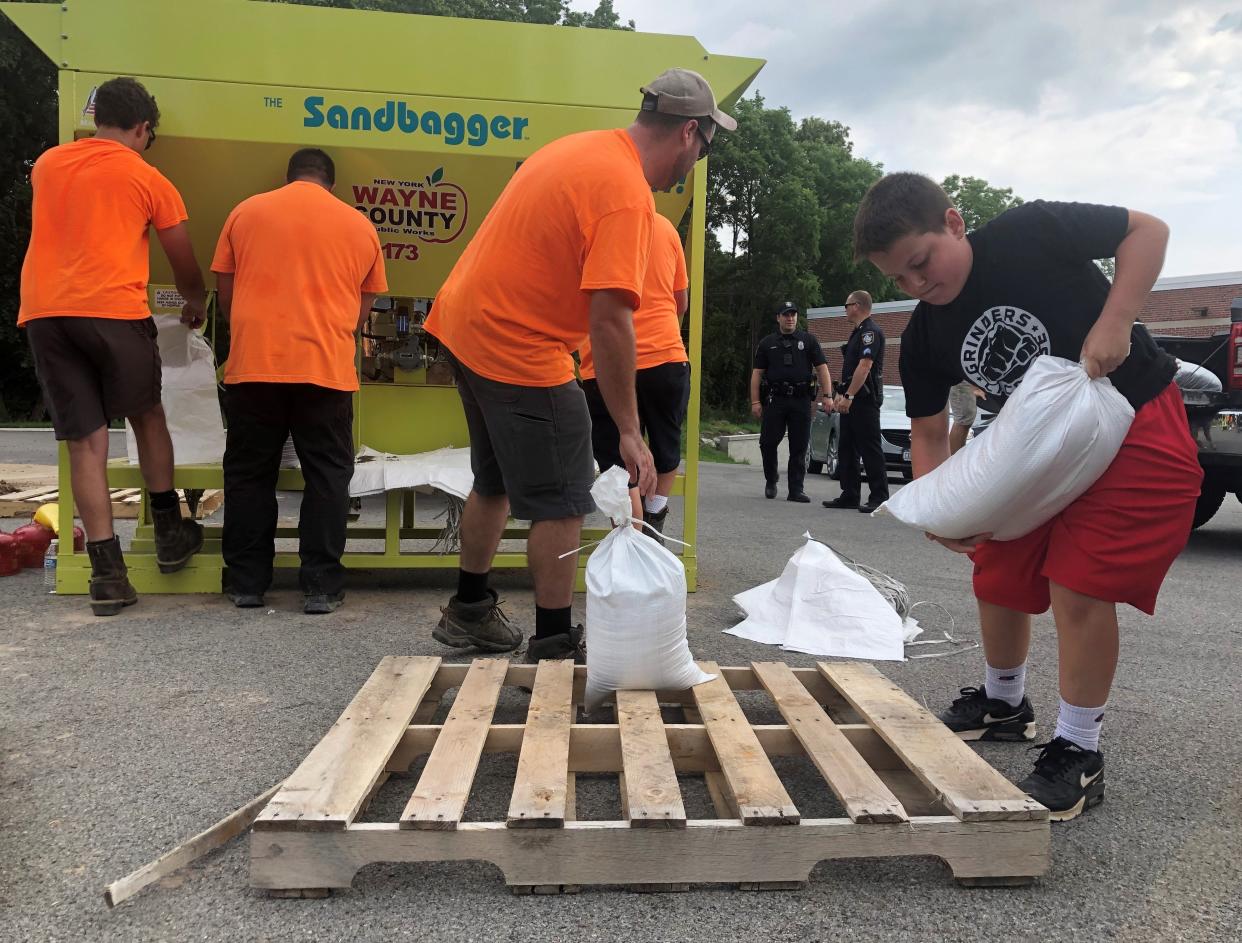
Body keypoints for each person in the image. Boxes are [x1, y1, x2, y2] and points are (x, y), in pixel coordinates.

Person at [853, 172, 1202, 820]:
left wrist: (1116, 318)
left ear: (954, 223)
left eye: (921, 262)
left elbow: (1147, 230)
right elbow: (928, 431)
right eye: (898, 278)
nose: (916, 285)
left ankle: (1079, 751)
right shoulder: (926, 333)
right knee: (998, 561)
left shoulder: (1029, 231)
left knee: (1079, 582)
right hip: (1041, 440)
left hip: (1132, 410)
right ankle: (1004, 702)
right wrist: (942, 508)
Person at [423, 68, 735, 663]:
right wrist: (626, 429)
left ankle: (468, 609)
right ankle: (555, 639)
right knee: (565, 499)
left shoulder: (582, 147)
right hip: (518, 343)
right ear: (688, 133)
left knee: (494, 481)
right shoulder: (626, 194)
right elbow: (611, 321)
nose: (694, 163)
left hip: (465, 327)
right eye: (702, 148)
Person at [18, 76, 207, 617]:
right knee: (147, 415)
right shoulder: (148, 178)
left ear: (97, 117)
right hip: (113, 312)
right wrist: (194, 304)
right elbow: (181, 260)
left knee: (85, 443)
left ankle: (107, 577)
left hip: (48, 314)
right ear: (144, 128)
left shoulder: (48, 165)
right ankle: (171, 535)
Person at [211, 148, 387, 614]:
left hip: (255, 365)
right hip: (325, 368)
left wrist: (251, 332)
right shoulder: (359, 225)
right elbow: (363, 306)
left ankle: (247, 583)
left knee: (250, 476)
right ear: (330, 181)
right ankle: (321, 586)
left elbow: (224, 292)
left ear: (288, 177)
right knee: (328, 477)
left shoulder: (245, 213)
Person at [580, 212, 690, 544]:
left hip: (605, 361)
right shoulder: (666, 227)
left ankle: (632, 543)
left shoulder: (590, 226)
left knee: (616, 462)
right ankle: (654, 519)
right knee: (665, 443)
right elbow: (680, 301)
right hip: (664, 354)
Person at [750, 302, 833, 502]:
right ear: (778, 317)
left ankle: (796, 489)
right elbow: (757, 374)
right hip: (775, 400)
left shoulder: (809, 341)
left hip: (801, 400)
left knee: (799, 446)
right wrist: (755, 401)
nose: (790, 318)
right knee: (767, 443)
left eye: (793, 314)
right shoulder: (767, 343)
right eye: (786, 315)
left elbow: (822, 369)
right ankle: (771, 479)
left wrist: (828, 395)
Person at [823, 291, 888, 513]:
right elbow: (851, 371)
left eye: (847, 305)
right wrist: (842, 393)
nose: (845, 309)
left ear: (857, 306)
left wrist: (850, 396)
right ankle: (850, 494)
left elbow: (865, 367)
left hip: (864, 400)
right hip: (851, 400)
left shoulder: (870, 332)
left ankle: (879, 496)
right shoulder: (857, 333)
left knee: (870, 448)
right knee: (847, 448)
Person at [947, 381, 980, 453]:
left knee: (964, 419)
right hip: (962, 379)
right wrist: (975, 387)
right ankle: (955, 460)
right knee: (964, 420)